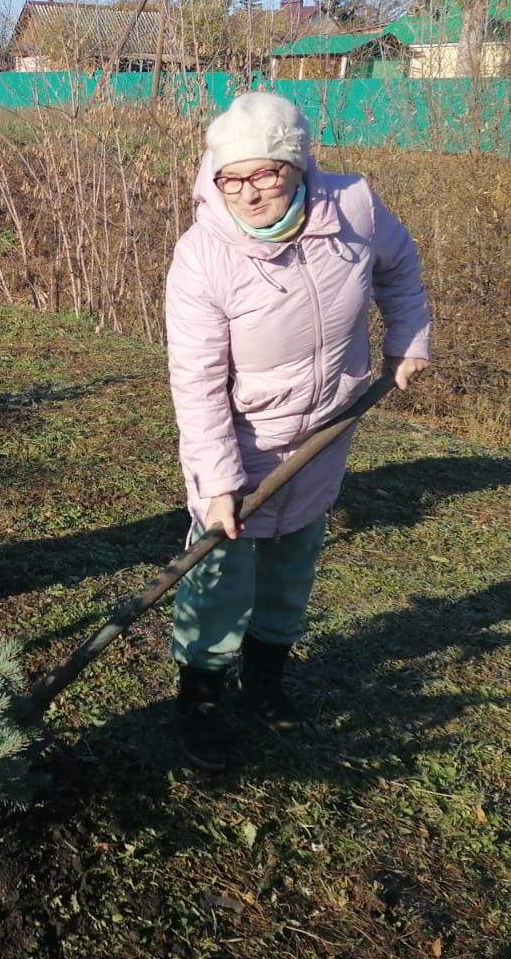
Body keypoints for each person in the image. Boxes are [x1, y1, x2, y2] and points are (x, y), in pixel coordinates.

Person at [163, 91, 431, 771]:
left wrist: (408, 342)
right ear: (214, 177)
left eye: (267, 173)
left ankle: (267, 678)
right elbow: (196, 383)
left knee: (292, 563)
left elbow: (400, 271)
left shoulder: (354, 212)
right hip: (243, 440)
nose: (250, 192)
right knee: (220, 572)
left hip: (324, 430)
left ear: (298, 165)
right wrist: (218, 484)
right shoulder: (203, 258)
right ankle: (200, 694)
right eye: (233, 178)